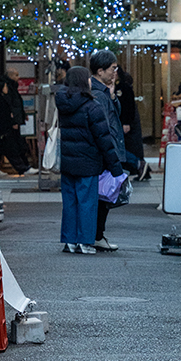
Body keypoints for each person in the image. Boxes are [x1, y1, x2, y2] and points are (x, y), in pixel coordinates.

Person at [55, 66, 123, 254]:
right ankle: (85, 241)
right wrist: (116, 168)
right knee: (87, 203)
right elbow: (104, 139)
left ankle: (69, 241)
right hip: (88, 163)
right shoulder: (92, 106)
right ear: (84, 81)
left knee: (69, 203)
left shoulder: (63, 104)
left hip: (68, 163)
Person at [89, 50, 127, 252]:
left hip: (107, 149)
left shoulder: (104, 92)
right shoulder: (97, 94)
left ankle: (96, 235)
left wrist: (112, 96)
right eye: (113, 68)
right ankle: (96, 235)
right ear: (100, 70)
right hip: (105, 151)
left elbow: (114, 116)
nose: (116, 72)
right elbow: (103, 126)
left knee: (103, 194)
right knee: (104, 195)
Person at [116, 65, 150, 181]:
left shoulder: (123, 88)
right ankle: (137, 165)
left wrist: (126, 122)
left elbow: (128, 106)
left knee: (118, 148)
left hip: (124, 123)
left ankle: (138, 164)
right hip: (120, 122)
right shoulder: (114, 87)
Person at [0, 74, 31, 175]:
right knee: (11, 149)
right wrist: (13, 121)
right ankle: (22, 168)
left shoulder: (1, 99)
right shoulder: (0, 101)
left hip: (3, 129)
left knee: (1, 150)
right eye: (5, 87)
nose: (7, 89)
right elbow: (4, 115)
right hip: (4, 129)